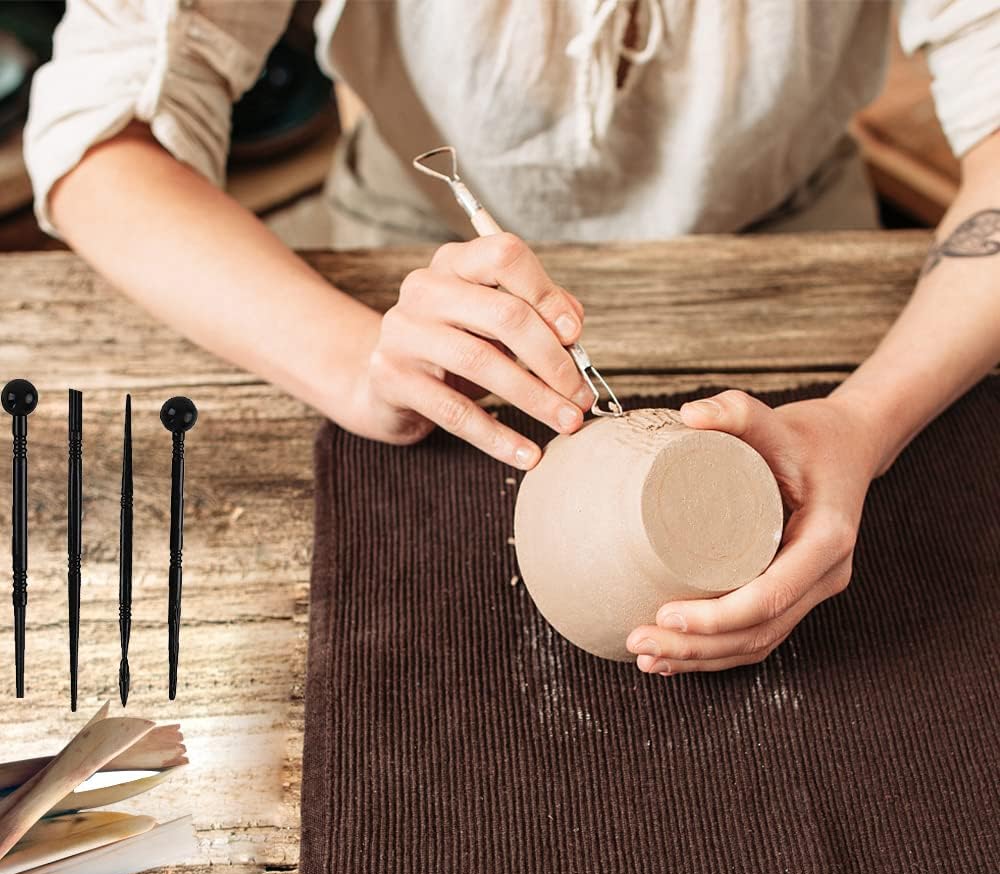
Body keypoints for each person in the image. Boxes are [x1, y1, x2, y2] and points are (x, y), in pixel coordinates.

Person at [24, 1, 1000, 677]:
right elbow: (96, 145)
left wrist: (864, 422)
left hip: (797, 254)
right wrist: (352, 355)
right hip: (412, 260)